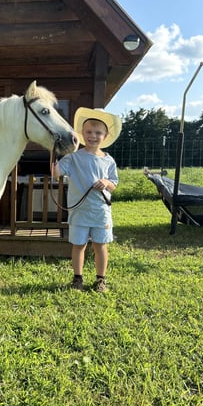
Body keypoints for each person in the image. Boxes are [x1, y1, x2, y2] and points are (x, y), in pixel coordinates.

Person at [52, 108, 121, 292]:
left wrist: (106, 182)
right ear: (82, 134)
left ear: (105, 136)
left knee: (100, 245)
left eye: (98, 133)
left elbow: (114, 184)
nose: (93, 136)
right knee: (79, 245)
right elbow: (56, 172)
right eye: (89, 132)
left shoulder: (109, 160)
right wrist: (54, 153)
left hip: (100, 211)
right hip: (79, 211)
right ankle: (77, 278)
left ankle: (100, 279)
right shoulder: (73, 158)